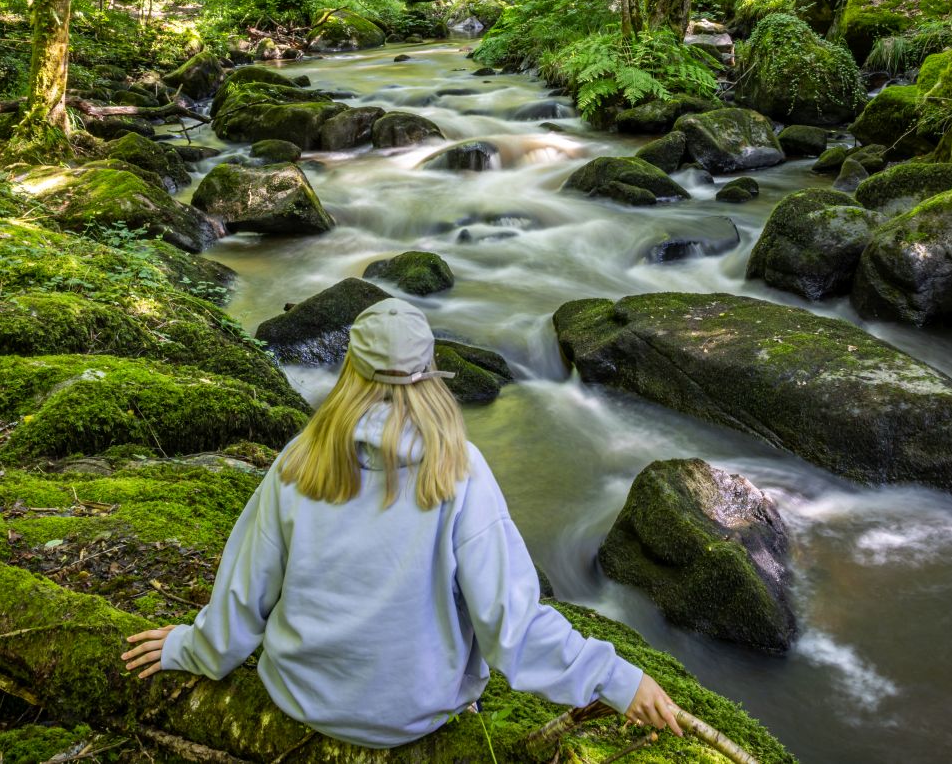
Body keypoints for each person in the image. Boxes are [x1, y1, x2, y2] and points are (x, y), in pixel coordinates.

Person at [120, 298, 683, 748]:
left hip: (299, 695)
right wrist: (618, 680)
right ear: (431, 376)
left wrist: (193, 649)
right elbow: (511, 625)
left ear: (349, 371)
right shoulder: (459, 470)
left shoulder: (300, 460)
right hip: (414, 715)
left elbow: (246, 590)